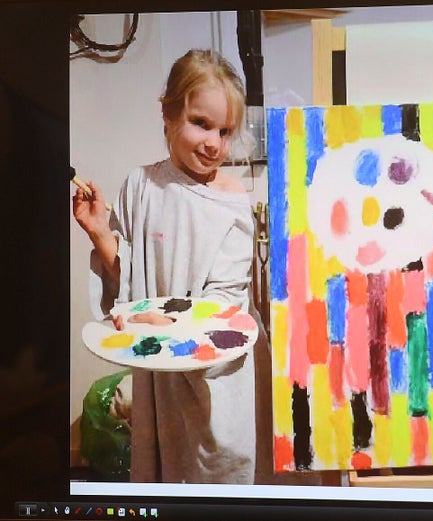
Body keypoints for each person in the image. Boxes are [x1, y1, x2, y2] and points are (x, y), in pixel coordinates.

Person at [72, 49, 270, 484]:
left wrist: (172, 322)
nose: (214, 143)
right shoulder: (141, 186)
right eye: (201, 123)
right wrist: (102, 235)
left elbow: (226, 303)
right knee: (165, 474)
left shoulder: (232, 202)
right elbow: (126, 284)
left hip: (214, 376)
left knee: (217, 473)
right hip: (159, 377)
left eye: (225, 130)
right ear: (168, 114)